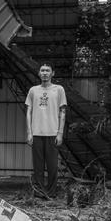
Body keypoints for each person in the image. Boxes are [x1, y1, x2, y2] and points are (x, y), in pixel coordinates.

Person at [25, 62, 67, 199]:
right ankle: (39, 193)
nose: (44, 73)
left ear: (52, 73)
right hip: (37, 133)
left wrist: (60, 133)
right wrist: (29, 132)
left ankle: (51, 193)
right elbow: (29, 112)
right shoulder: (33, 90)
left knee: (52, 166)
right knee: (37, 167)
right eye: (42, 70)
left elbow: (63, 112)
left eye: (47, 70)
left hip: (52, 133)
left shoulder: (59, 89)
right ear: (38, 73)